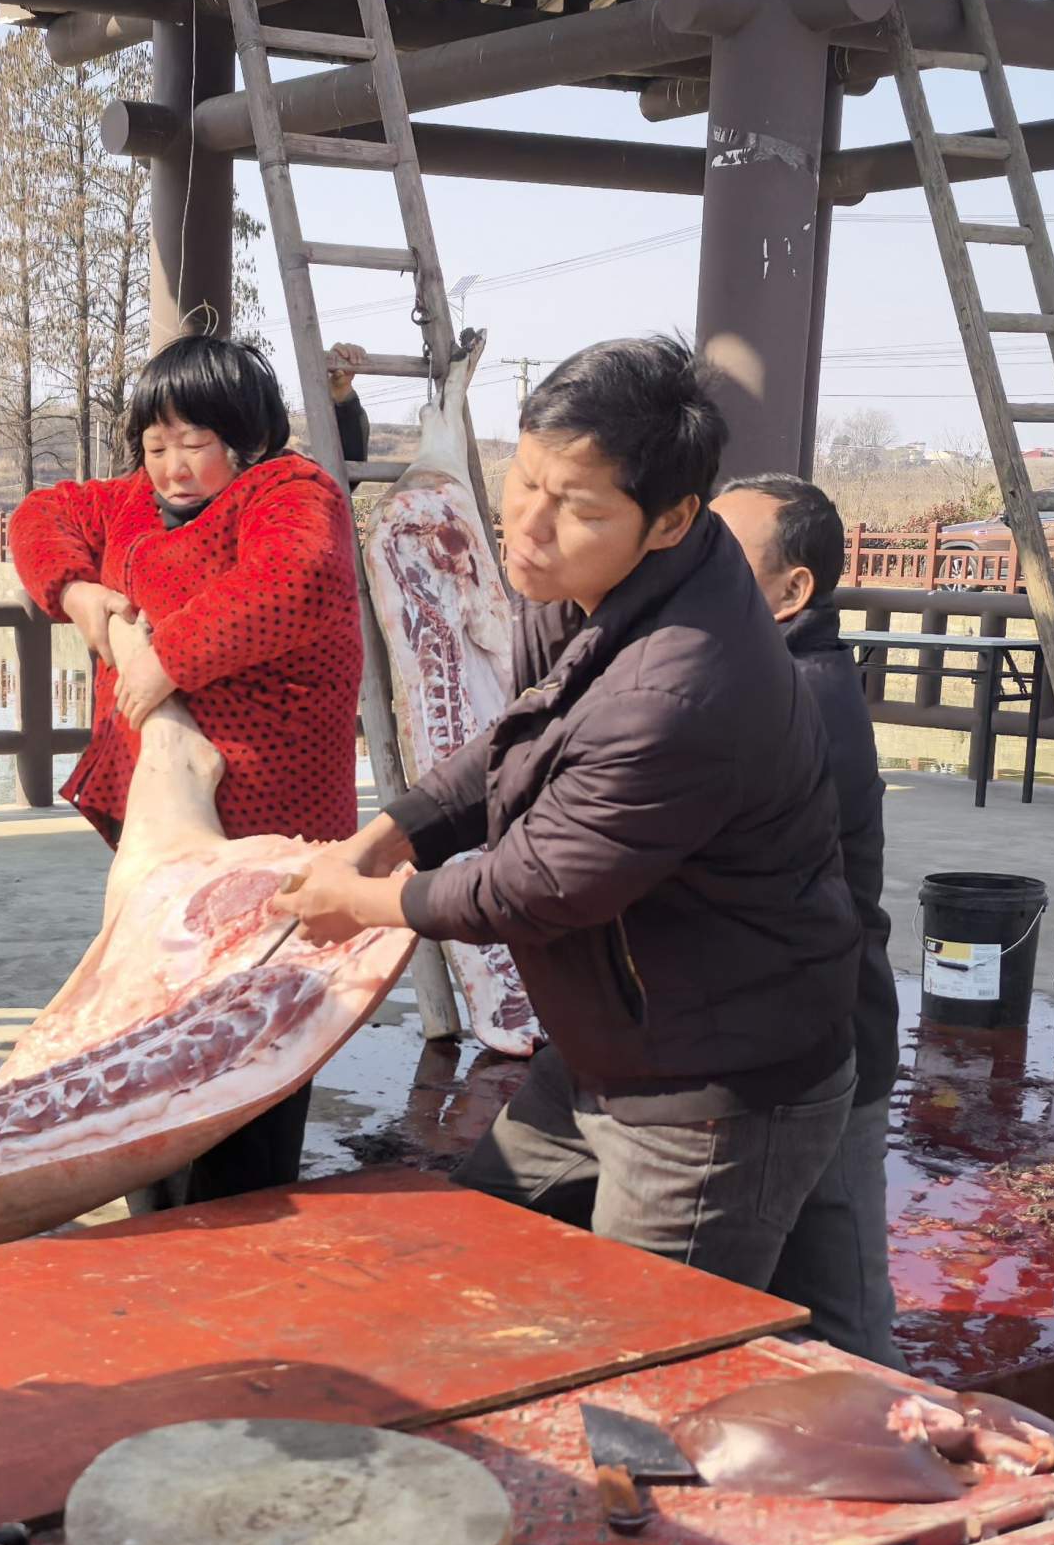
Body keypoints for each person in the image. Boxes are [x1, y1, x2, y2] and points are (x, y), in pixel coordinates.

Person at [275, 337, 861, 1291]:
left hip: (708, 1090)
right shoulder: (590, 580)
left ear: (672, 520)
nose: (528, 526)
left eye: (578, 508)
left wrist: (369, 903)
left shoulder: (680, 690)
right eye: (524, 480)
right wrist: (388, 833)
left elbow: (536, 886)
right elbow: (523, 737)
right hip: (607, 1047)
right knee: (483, 1270)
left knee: (649, 1345)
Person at [7, 333, 363, 1203]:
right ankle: (157, 1201)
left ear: (246, 437)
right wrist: (76, 592)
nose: (170, 466)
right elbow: (40, 515)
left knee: (255, 1024)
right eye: (155, 444)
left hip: (268, 825)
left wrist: (168, 659)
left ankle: (241, 1210)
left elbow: (296, 578)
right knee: (156, 1008)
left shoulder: (290, 491)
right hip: (160, 823)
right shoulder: (130, 501)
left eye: (193, 442)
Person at [711, 473, 902, 1365]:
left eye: (723, 553)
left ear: (793, 591)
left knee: (845, 1312)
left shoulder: (801, 697)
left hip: (833, 1034)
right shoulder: (758, 674)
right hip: (779, 1036)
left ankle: (906, 1445)